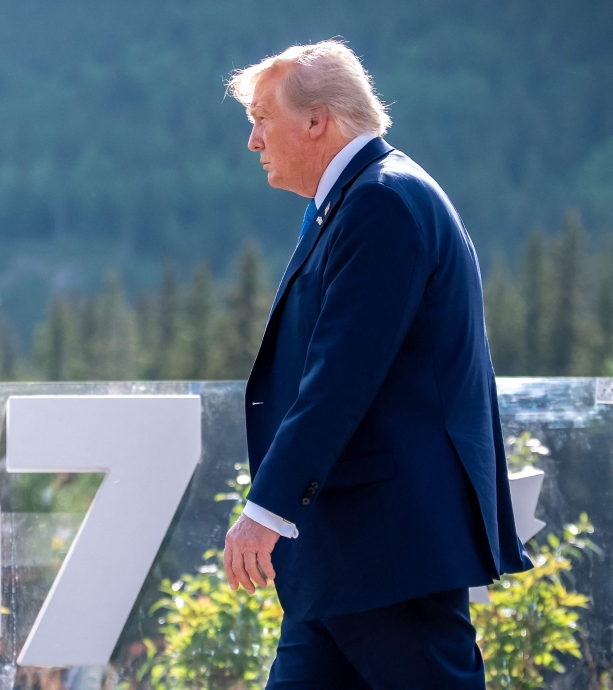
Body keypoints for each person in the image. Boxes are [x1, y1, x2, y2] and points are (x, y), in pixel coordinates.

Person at [221, 41, 532, 689]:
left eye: (261, 118)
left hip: (388, 550)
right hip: (346, 551)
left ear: (317, 121)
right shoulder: (358, 201)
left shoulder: (382, 203)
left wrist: (268, 509)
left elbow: (340, 375)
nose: (252, 140)